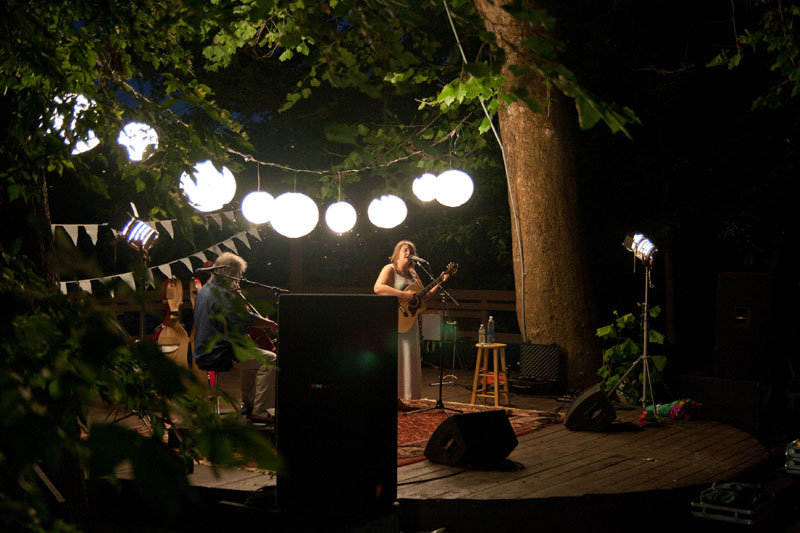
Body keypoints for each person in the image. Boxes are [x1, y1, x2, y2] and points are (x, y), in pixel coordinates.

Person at [192, 252, 278, 424]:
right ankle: (260, 410)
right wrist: (271, 324)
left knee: (251, 356)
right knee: (271, 360)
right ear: (231, 273)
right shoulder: (220, 294)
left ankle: (248, 405)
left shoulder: (206, 291)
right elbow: (244, 318)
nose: (239, 280)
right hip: (219, 351)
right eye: (238, 276)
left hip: (205, 348)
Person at [374, 240, 448, 405]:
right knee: (397, 360)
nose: (408, 253)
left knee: (410, 359)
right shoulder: (390, 269)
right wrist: (403, 295)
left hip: (411, 321)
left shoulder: (414, 273)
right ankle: (394, 398)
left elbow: (424, 296)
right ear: (398, 254)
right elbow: (378, 288)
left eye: (411, 251)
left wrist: (440, 282)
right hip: (394, 321)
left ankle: (410, 398)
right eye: (405, 250)